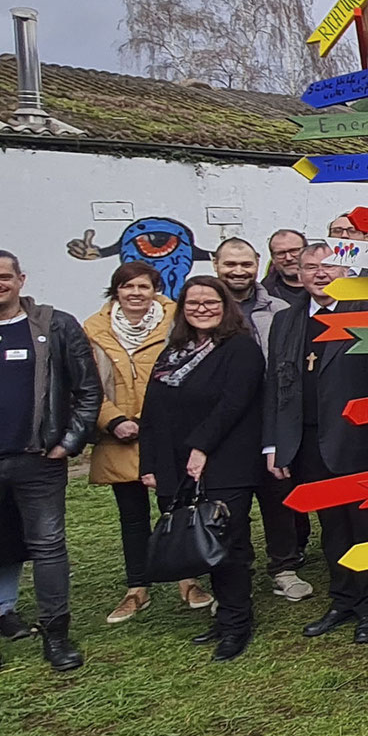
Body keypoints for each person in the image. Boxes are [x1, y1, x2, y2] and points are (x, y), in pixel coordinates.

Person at [0, 250, 98, 688]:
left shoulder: (55, 325)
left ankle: (57, 637)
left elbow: (88, 388)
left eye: (3, 277)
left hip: (38, 462)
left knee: (49, 548)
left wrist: (69, 443)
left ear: (21, 279)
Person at [263, 241, 368, 645]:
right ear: (297, 274)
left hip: (355, 440)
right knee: (331, 527)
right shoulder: (288, 320)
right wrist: (275, 445)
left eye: (328, 266)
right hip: (307, 442)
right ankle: (342, 599)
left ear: (346, 273)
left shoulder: (367, 316)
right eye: (310, 267)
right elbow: (276, 385)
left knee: (363, 526)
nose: (320, 274)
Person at [137, 276, 267, 662]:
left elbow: (232, 405)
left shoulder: (241, 349)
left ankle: (236, 622)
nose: (201, 309)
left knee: (228, 542)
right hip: (177, 463)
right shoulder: (173, 351)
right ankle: (223, 615)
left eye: (210, 302)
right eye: (193, 303)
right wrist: (150, 463)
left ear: (225, 306)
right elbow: (153, 410)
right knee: (198, 541)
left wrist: (201, 448)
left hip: (226, 461)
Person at [83, 261, 202, 622]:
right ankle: (137, 587)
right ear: (115, 291)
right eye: (127, 286)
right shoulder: (93, 329)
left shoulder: (176, 321)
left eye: (143, 287)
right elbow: (85, 382)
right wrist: (113, 420)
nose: (135, 293)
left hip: (168, 432)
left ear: (156, 290)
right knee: (131, 516)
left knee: (177, 507)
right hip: (119, 434)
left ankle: (188, 580)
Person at [213, 238, 303, 596]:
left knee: (278, 494)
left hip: (271, 415)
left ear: (256, 265)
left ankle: (284, 566)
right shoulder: (203, 306)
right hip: (222, 423)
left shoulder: (278, 308)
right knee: (228, 505)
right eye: (230, 264)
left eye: (245, 264)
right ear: (215, 264)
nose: (238, 271)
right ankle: (235, 572)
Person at [262, 229, 307, 301]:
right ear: (273, 258)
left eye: (294, 251)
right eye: (281, 253)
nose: (288, 258)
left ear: (307, 251)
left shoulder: (329, 288)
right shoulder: (263, 295)